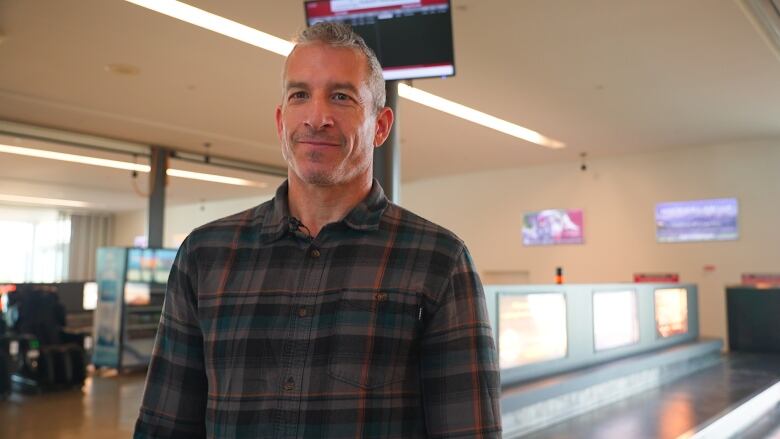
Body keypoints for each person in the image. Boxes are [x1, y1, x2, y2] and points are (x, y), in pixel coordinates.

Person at [134, 22, 501, 439]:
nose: (317, 117)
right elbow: (164, 426)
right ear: (280, 120)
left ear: (380, 126)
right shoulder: (205, 255)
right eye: (300, 95)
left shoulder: (438, 260)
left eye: (341, 97)